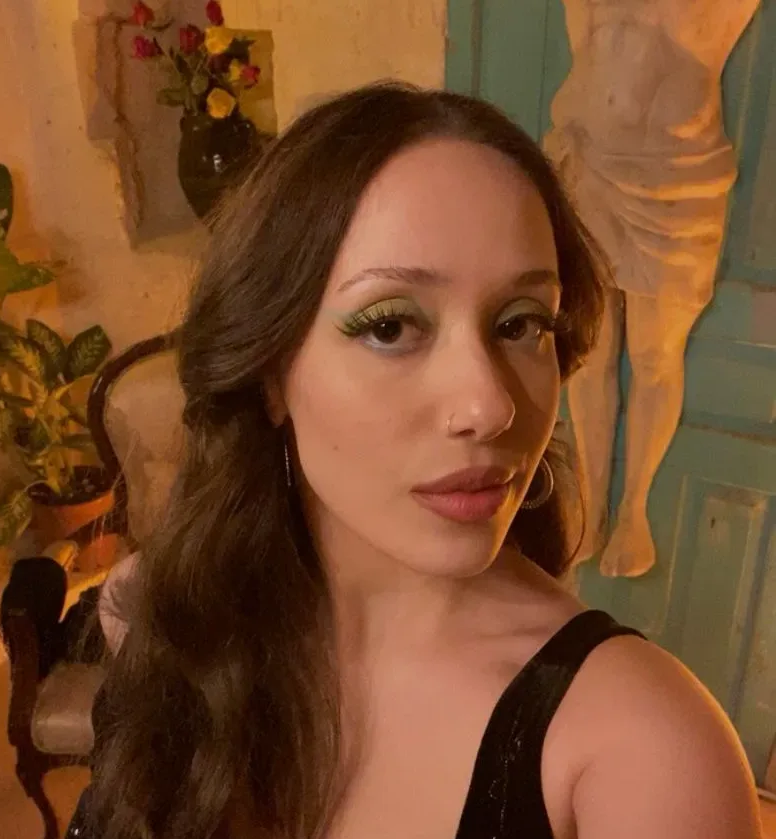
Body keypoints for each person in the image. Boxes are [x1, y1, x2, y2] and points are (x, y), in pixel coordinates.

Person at [68, 83, 761, 839]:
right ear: (270, 373)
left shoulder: (645, 755)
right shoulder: (164, 615)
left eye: (521, 323)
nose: (489, 406)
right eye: (391, 326)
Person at [543, 0, 762, 577]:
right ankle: (590, 507)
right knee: (588, 353)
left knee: (655, 355)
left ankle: (634, 512)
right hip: (587, 167)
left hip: (675, 182)